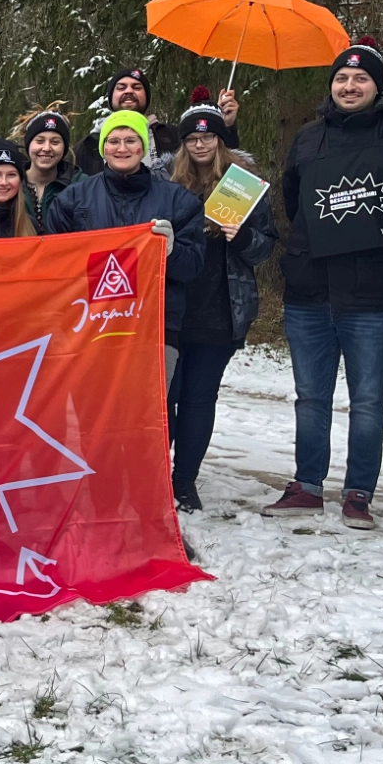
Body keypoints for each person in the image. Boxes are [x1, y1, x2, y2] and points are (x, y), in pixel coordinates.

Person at [265, 42, 383, 529]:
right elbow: (294, 200)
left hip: (373, 293)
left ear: (378, 86)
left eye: (361, 78)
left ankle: (359, 492)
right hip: (310, 291)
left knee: (368, 401)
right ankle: (307, 485)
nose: (349, 85)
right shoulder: (308, 137)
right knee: (310, 396)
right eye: (341, 78)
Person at [163, 104, 279, 512]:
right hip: (171, 308)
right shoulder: (166, 182)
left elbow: (265, 247)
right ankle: (156, 475)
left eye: (208, 137)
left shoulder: (242, 184)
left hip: (221, 308)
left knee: (199, 398)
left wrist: (242, 236)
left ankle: (185, 479)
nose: (200, 145)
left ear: (220, 139)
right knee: (165, 399)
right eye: (192, 139)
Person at [45, 111, 207, 382]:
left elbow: (193, 266)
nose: (122, 148)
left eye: (131, 140)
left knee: (149, 406)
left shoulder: (178, 200)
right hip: (88, 327)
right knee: (91, 405)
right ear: (103, 148)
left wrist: (171, 251)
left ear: (142, 147)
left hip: (155, 327)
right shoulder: (72, 199)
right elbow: (53, 263)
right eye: (114, 141)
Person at [74, 67, 233, 175]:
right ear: (111, 97)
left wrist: (225, 126)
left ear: (146, 97)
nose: (129, 91)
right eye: (121, 87)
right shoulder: (88, 145)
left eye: (137, 87)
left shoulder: (171, 135)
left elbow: (215, 165)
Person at [15, 108, 78, 232]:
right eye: (40, 141)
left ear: (64, 148)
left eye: (55, 142)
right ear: (28, 144)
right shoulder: (10, 184)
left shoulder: (80, 185)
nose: (47, 148)